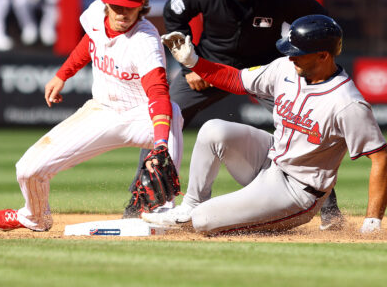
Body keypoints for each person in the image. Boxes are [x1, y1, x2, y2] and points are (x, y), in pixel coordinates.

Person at [127, 0, 341, 230]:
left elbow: (320, 20)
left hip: (265, 72)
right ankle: (141, 200)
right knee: (164, 116)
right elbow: (174, 14)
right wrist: (189, 65)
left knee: (305, 123)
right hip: (209, 68)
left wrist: (294, 52)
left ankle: (330, 210)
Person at [142, 15, 387, 235]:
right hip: (269, 159)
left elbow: (380, 158)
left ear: (323, 55)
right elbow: (237, 80)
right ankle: (190, 206)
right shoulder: (286, 68)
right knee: (213, 130)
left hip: (298, 191)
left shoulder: (347, 103)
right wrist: (195, 62)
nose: (291, 56)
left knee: (204, 220)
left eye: (298, 52)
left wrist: (373, 220)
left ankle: (206, 216)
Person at [0, 0, 183, 232]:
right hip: (101, 110)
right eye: (116, 6)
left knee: (172, 114)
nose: (122, 13)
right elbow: (90, 41)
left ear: (141, 5)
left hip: (139, 115)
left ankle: (163, 212)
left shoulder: (145, 41)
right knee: (27, 169)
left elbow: (158, 92)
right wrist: (62, 74)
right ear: (106, 2)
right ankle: (34, 217)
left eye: (129, 7)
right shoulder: (94, 13)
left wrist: (159, 143)